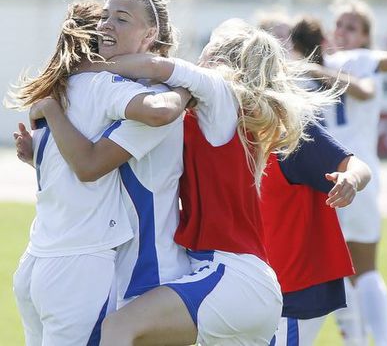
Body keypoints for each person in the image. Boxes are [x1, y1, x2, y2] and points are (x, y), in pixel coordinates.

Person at [69, 19, 339, 345]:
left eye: (206, 47)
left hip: (230, 275)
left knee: (119, 329)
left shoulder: (218, 92)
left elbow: (157, 65)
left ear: (218, 59)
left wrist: (81, 67)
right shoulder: (222, 111)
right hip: (245, 283)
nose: (196, 57)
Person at [8, 0, 190, 345]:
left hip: (36, 260)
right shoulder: (109, 87)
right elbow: (94, 163)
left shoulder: (60, 88)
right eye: (107, 18)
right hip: (80, 264)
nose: (110, 25)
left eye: (120, 18)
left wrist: (38, 155)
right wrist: (187, 87)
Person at [259, 15, 373, 346]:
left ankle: (363, 337)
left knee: (367, 271)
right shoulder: (215, 126)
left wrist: (350, 178)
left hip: (292, 288)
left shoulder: (289, 130)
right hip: (245, 284)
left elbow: (356, 165)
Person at [323, 0, 387, 346]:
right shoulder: (326, 59)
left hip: (359, 174)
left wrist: (324, 69)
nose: (343, 31)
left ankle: (381, 341)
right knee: (338, 267)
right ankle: (356, 341)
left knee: (365, 267)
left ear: (364, 37)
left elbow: (369, 87)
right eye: (339, 24)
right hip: (328, 174)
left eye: (352, 26)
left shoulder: (357, 62)